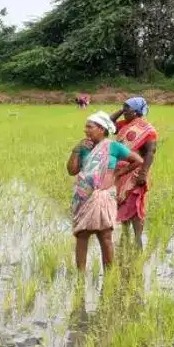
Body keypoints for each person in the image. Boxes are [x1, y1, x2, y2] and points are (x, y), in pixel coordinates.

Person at [67, 112, 143, 272]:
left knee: (105, 236)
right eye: (86, 127)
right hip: (84, 196)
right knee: (81, 235)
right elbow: (72, 171)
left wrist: (118, 174)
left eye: (90, 127)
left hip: (104, 196)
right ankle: (80, 277)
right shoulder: (83, 147)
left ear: (101, 129)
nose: (86, 130)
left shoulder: (113, 146)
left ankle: (109, 276)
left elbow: (138, 160)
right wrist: (76, 150)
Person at [109, 96, 159, 248]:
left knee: (135, 206)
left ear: (137, 111)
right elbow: (108, 124)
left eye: (128, 108)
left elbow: (150, 152)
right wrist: (121, 110)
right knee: (122, 203)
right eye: (123, 107)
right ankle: (125, 236)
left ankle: (137, 239)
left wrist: (143, 174)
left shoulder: (148, 130)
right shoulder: (124, 124)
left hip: (136, 172)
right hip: (120, 172)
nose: (124, 111)